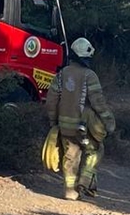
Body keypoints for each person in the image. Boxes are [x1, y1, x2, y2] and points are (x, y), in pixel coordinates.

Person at [46, 37, 116, 201]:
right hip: (85, 127)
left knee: (70, 156)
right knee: (95, 151)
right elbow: (98, 103)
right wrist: (109, 123)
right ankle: (85, 181)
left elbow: (51, 101)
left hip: (65, 126)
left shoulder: (61, 75)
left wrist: (53, 122)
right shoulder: (89, 76)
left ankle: (70, 191)